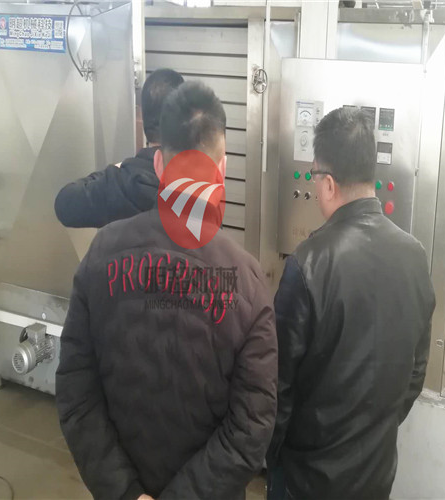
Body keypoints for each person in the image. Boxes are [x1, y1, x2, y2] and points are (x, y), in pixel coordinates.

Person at [56, 81, 278, 500]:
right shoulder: (248, 283)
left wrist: (125, 491)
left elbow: (76, 390)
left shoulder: (101, 254)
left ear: (158, 163)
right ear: (222, 168)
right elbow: (252, 426)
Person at [266, 107, 436, 500]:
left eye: (314, 175)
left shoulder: (307, 264)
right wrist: (375, 434)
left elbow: (278, 386)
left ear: (327, 184)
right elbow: (416, 370)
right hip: (376, 475)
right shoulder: (415, 256)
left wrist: (273, 459)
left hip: (306, 480)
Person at [54, 68, 184, 228]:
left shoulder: (119, 183)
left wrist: (113, 171)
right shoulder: (197, 186)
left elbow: (65, 204)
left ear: (143, 117)